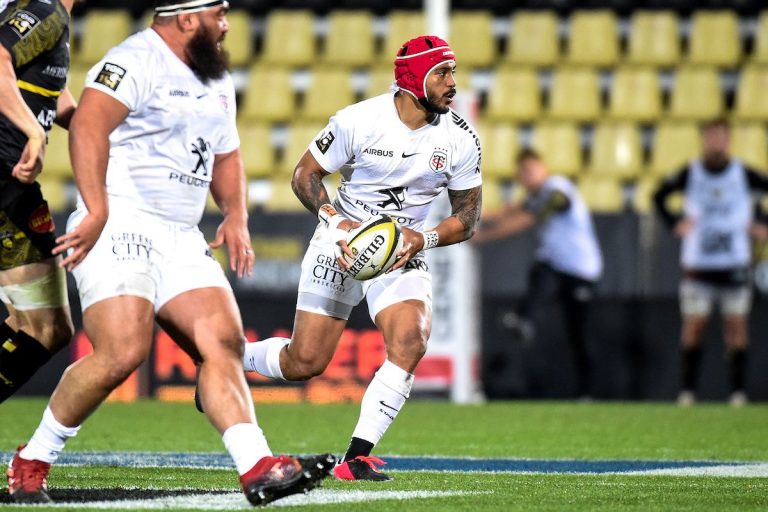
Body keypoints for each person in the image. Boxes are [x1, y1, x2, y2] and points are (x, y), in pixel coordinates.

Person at [6, 0, 333, 505]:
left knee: (221, 344)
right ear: (186, 19)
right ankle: (32, 461)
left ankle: (257, 467)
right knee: (122, 351)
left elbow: (227, 154)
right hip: (121, 220)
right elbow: (88, 126)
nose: (227, 25)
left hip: (180, 233)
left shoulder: (216, 78)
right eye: (218, 15)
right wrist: (97, 207)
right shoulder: (134, 59)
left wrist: (236, 214)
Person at [234, 35, 482, 481]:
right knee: (304, 363)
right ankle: (230, 362)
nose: (452, 83)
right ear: (413, 80)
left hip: (402, 249)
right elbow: (304, 174)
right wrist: (335, 222)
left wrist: (421, 238)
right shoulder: (358, 120)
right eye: (442, 73)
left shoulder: (461, 139)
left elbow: (468, 218)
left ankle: (355, 458)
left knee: (411, 341)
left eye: (453, 72)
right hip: (341, 243)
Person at [0, 0, 82, 404]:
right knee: (44, 327)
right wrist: (34, 132)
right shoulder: (45, 10)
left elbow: (57, 100)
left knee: (38, 325)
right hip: (6, 180)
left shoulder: (42, 17)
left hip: (12, 186)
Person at [653, 118, 768, 407]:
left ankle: (738, 392)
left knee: (736, 327)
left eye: (721, 137)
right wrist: (674, 222)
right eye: (712, 137)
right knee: (694, 326)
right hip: (698, 265)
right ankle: (688, 391)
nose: (717, 143)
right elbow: (658, 196)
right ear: (704, 140)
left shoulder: (742, 173)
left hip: (734, 263)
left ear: (728, 140)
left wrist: (762, 221)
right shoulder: (690, 172)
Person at [472, 148, 603, 398]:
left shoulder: (557, 190)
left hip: (580, 269)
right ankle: (525, 318)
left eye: (530, 170)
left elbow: (526, 219)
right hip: (556, 264)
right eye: (522, 172)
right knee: (541, 269)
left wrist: (483, 237)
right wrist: (470, 218)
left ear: (543, 168)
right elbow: (509, 211)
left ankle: (588, 391)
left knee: (580, 334)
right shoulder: (537, 196)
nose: (526, 177)